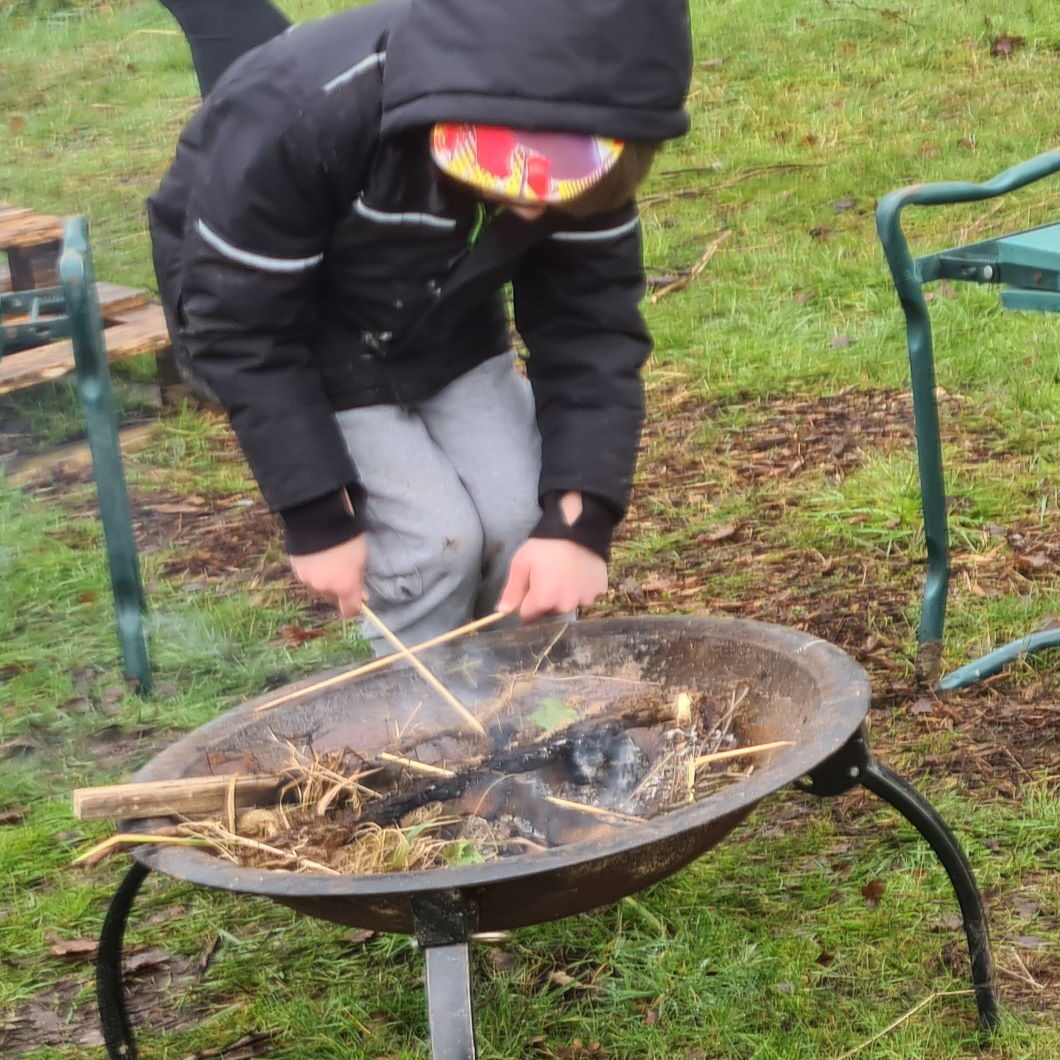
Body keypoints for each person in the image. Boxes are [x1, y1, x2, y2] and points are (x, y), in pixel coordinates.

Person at [147, 0, 693, 653]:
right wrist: (317, 513)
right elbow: (240, 327)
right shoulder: (302, 109)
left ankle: (525, 714)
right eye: (508, 167)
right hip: (295, 334)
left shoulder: (592, 123)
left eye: (556, 180)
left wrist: (580, 523)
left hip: (445, 315)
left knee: (523, 519)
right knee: (432, 547)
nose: (529, 202)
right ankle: (424, 728)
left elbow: (591, 327)